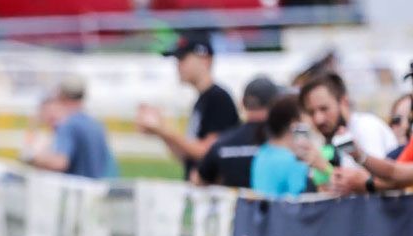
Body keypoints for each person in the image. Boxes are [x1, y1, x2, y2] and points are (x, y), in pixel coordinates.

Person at [136, 33, 240, 180]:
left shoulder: (218, 99)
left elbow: (207, 151)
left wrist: (163, 129)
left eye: (183, 59)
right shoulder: (202, 100)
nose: (178, 66)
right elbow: (186, 155)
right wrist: (159, 131)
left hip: (211, 194)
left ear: (205, 60)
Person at [20, 76, 117, 178]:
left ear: (61, 96)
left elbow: (60, 163)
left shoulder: (68, 125)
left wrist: (31, 157)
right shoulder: (96, 124)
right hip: (96, 187)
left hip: (76, 188)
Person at [298, 72, 397, 171]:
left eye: (324, 109)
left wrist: (324, 168)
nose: (318, 119)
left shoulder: (366, 126)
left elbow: (379, 179)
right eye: (311, 112)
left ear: (344, 102)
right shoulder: (335, 137)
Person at [194, 76, 279, 188]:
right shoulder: (281, 141)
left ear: (242, 103)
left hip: (233, 204)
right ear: (276, 104)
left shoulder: (223, 142)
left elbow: (198, 179)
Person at [250, 95, 331, 198]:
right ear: (295, 123)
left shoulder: (262, 152)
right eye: (309, 113)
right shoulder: (295, 160)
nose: (314, 119)